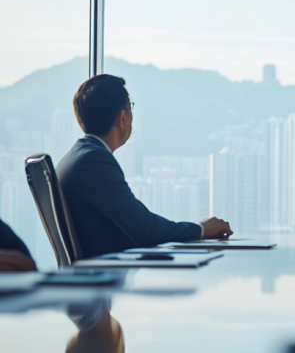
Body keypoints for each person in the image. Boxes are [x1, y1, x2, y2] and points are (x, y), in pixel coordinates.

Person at [58, 74, 233, 259]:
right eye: (130, 107)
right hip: (106, 273)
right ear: (122, 117)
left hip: (101, 270)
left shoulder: (76, 157)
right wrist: (200, 230)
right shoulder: (94, 161)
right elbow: (145, 229)